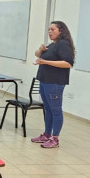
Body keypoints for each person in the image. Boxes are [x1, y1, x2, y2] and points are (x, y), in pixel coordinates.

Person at [31, 21, 75, 149]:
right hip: (45, 80)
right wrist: (41, 50)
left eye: (53, 29)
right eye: (49, 29)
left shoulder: (63, 44)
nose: (49, 31)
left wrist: (45, 61)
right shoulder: (53, 44)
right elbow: (37, 54)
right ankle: (46, 134)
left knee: (55, 110)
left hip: (55, 82)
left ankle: (55, 139)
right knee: (48, 109)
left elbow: (68, 63)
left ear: (61, 31)